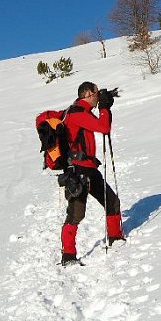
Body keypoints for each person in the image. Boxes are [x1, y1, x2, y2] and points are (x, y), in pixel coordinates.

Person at [60, 81, 125, 265]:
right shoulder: (76, 113)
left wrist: (105, 107)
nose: (98, 96)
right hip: (78, 171)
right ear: (88, 93)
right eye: (97, 93)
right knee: (76, 214)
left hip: (89, 168)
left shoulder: (83, 113)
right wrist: (104, 109)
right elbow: (104, 128)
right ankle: (68, 256)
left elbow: (102, 126)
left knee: (111, 202)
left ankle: (116, 238)